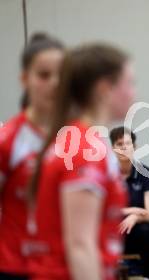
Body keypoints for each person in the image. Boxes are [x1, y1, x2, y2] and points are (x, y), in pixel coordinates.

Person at [27, 43, 135, 280]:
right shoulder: (83, 150)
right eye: (129, 83)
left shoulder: (90, 141)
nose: (133, 92)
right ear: (105, 88)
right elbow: (79, 245)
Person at [0, 33, 64, 280]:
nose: (54, 83)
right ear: (25, 79)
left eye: (61, 75)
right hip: (16, 268)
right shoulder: (9, 141)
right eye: (44, 75)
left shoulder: (80, 141)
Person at [109, 126, 149, 280]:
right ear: (113, 148)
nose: (123, 147)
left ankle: (148, 277)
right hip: (114, 232)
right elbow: (101, 213)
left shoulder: (147, 174)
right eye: (119, 144)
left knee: (148, 230)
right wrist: (130, 211)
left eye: (127, 143)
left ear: (135, 147)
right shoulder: (107, 175)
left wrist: (135, 217)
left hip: (139, 235)